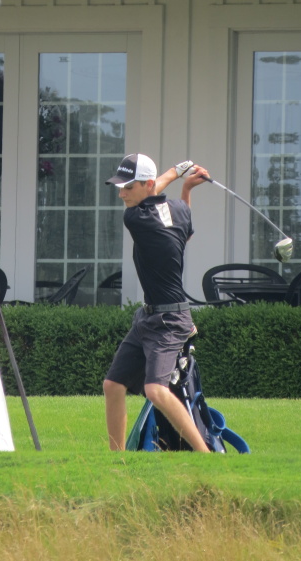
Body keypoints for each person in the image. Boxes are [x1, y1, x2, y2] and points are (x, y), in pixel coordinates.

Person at [103, 153, 211, 452]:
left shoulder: (136, 218)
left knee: (155, 390)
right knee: (113, 385)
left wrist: (175, 172)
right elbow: (183, 235)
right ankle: (116, 458)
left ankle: (206, 455)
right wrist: (186, 189)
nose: (122, 194)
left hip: (170, 321)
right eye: (120, 188)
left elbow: (156, 189)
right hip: (148, 317)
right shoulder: (179, 209)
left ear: (148, 185)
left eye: (128, 187)